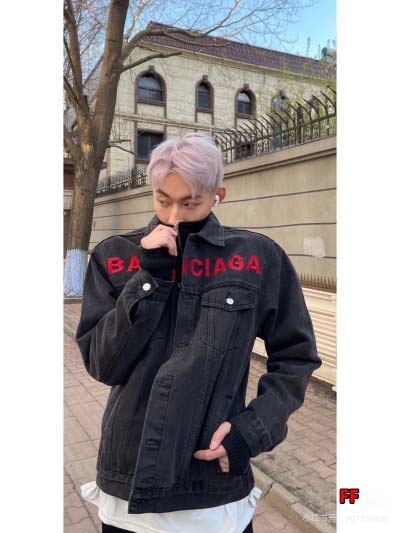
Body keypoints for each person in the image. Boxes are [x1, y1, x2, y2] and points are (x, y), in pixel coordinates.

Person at [75, 132, 322, 533]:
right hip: (127, 478)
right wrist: (149, 279)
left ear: (217, 195)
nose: (174, 216)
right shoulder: (115, 256)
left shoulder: (256, 256)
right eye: (163, 200)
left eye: (190, 203)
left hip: (213, 484)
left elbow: (296, 355)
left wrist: (252, 430)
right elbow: (103, 365)